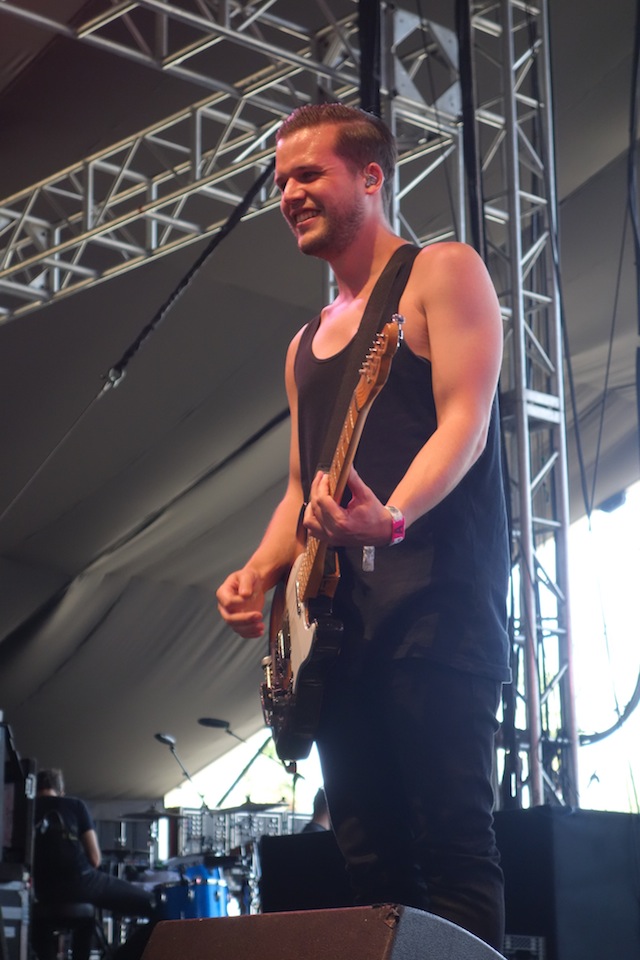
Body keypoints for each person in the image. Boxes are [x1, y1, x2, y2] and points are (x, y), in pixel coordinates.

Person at [216, 102, 511, 951]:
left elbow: (466, 424)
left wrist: (394, 516)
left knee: (454, 851)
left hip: (435, 615)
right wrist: (258, 571)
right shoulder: (304, 342)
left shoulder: (442, 271)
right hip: (336, 639)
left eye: (309, 173)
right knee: (371, 866)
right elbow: (300, 490)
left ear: (372, 176)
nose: (289, 194)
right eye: (281, 180)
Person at [32, 768, 156, 960]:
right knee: (155, 905)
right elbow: (95, 859)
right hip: (82, 883)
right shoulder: (74, 805)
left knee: (85, 919)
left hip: (43, 892)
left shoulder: (27, 810)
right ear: (61, 790)